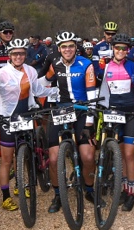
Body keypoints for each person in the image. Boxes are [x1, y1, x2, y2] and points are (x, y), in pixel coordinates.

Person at [0, 38, 58, 211]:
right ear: (10, 55)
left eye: (22, 53)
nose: (18, 56)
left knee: (23, 154)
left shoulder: (31, 71)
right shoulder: (2, 73)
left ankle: (20, 184)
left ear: (25, 54)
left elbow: (38, 90)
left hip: (25, 116)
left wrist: (58, 90)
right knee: (7, 160)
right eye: (15, 53)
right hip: (7, 119)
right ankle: (6, 197)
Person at [42, 30, 98, 213]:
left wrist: (90, 122)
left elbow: (92, 94)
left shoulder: (86, 64)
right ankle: (58, 194)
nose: (67, 49)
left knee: (88, 156)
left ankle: (89, 189)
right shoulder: (55, 63)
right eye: (64, 47)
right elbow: (44, 82)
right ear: (59, 49)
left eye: (71, 46)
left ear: (76, 47)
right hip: (61, 110)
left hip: (82, 110)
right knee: (53, 158)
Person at [98, 34, 134, 211]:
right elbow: (101, 89)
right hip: (113, 113)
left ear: (128, 50)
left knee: (129, 154)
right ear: (113, 48)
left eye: (124, 48)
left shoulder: (133, 65)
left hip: (131, 113)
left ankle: (131, 192)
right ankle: (122, 189)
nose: (120, 51)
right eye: (117, 48)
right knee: (119, 154)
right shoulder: (105, 66)